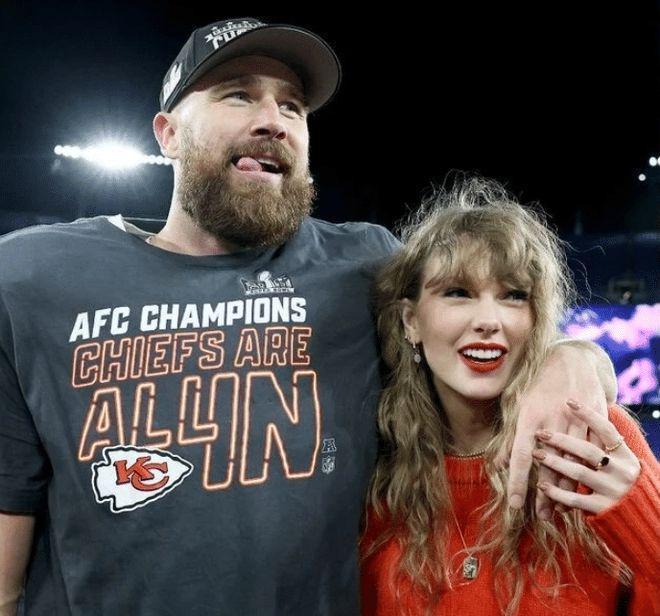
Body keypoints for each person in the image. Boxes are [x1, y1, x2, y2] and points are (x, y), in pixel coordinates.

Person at [0, 18, 615, 616]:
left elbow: (484, 327)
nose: (273, 119)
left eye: (292, 106)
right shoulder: (34, 278)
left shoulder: (364, 263)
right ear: (168, 133)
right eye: (238, 95)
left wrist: (574, 358)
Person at [360, 177, 660, 615]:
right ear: (411, 321)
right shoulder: (374, 467)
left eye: (514, 296)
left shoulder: (591, 437)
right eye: (458, 293)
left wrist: (643, 521)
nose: (488, 320)